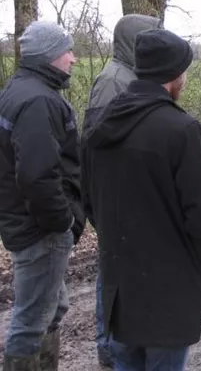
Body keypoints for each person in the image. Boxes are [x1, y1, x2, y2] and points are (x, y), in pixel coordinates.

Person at [81, 29, 201, 370]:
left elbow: (89, 199)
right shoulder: (181, 129)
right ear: (173, 75)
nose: (185, 78)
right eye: (184, 71)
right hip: (168, 292)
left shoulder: (101, 125)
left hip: (120, 287)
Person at [0, 21, 85, 370]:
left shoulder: (19, 89)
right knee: (31, 320)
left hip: (25, 220)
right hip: (40, 229)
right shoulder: (38, 100)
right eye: (68, 51)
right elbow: (37, 174)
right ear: (50, 56)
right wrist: (61, 222)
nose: (74, 59)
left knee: (52, 306)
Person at [83, 13, 160, 368]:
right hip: (115, 201)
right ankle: (108, 348)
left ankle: (119, 343)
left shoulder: (132, 77)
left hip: (128, 199)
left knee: (126, 276)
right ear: (135, 41)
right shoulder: (114, 81)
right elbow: (97, 149)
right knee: (113, 277)